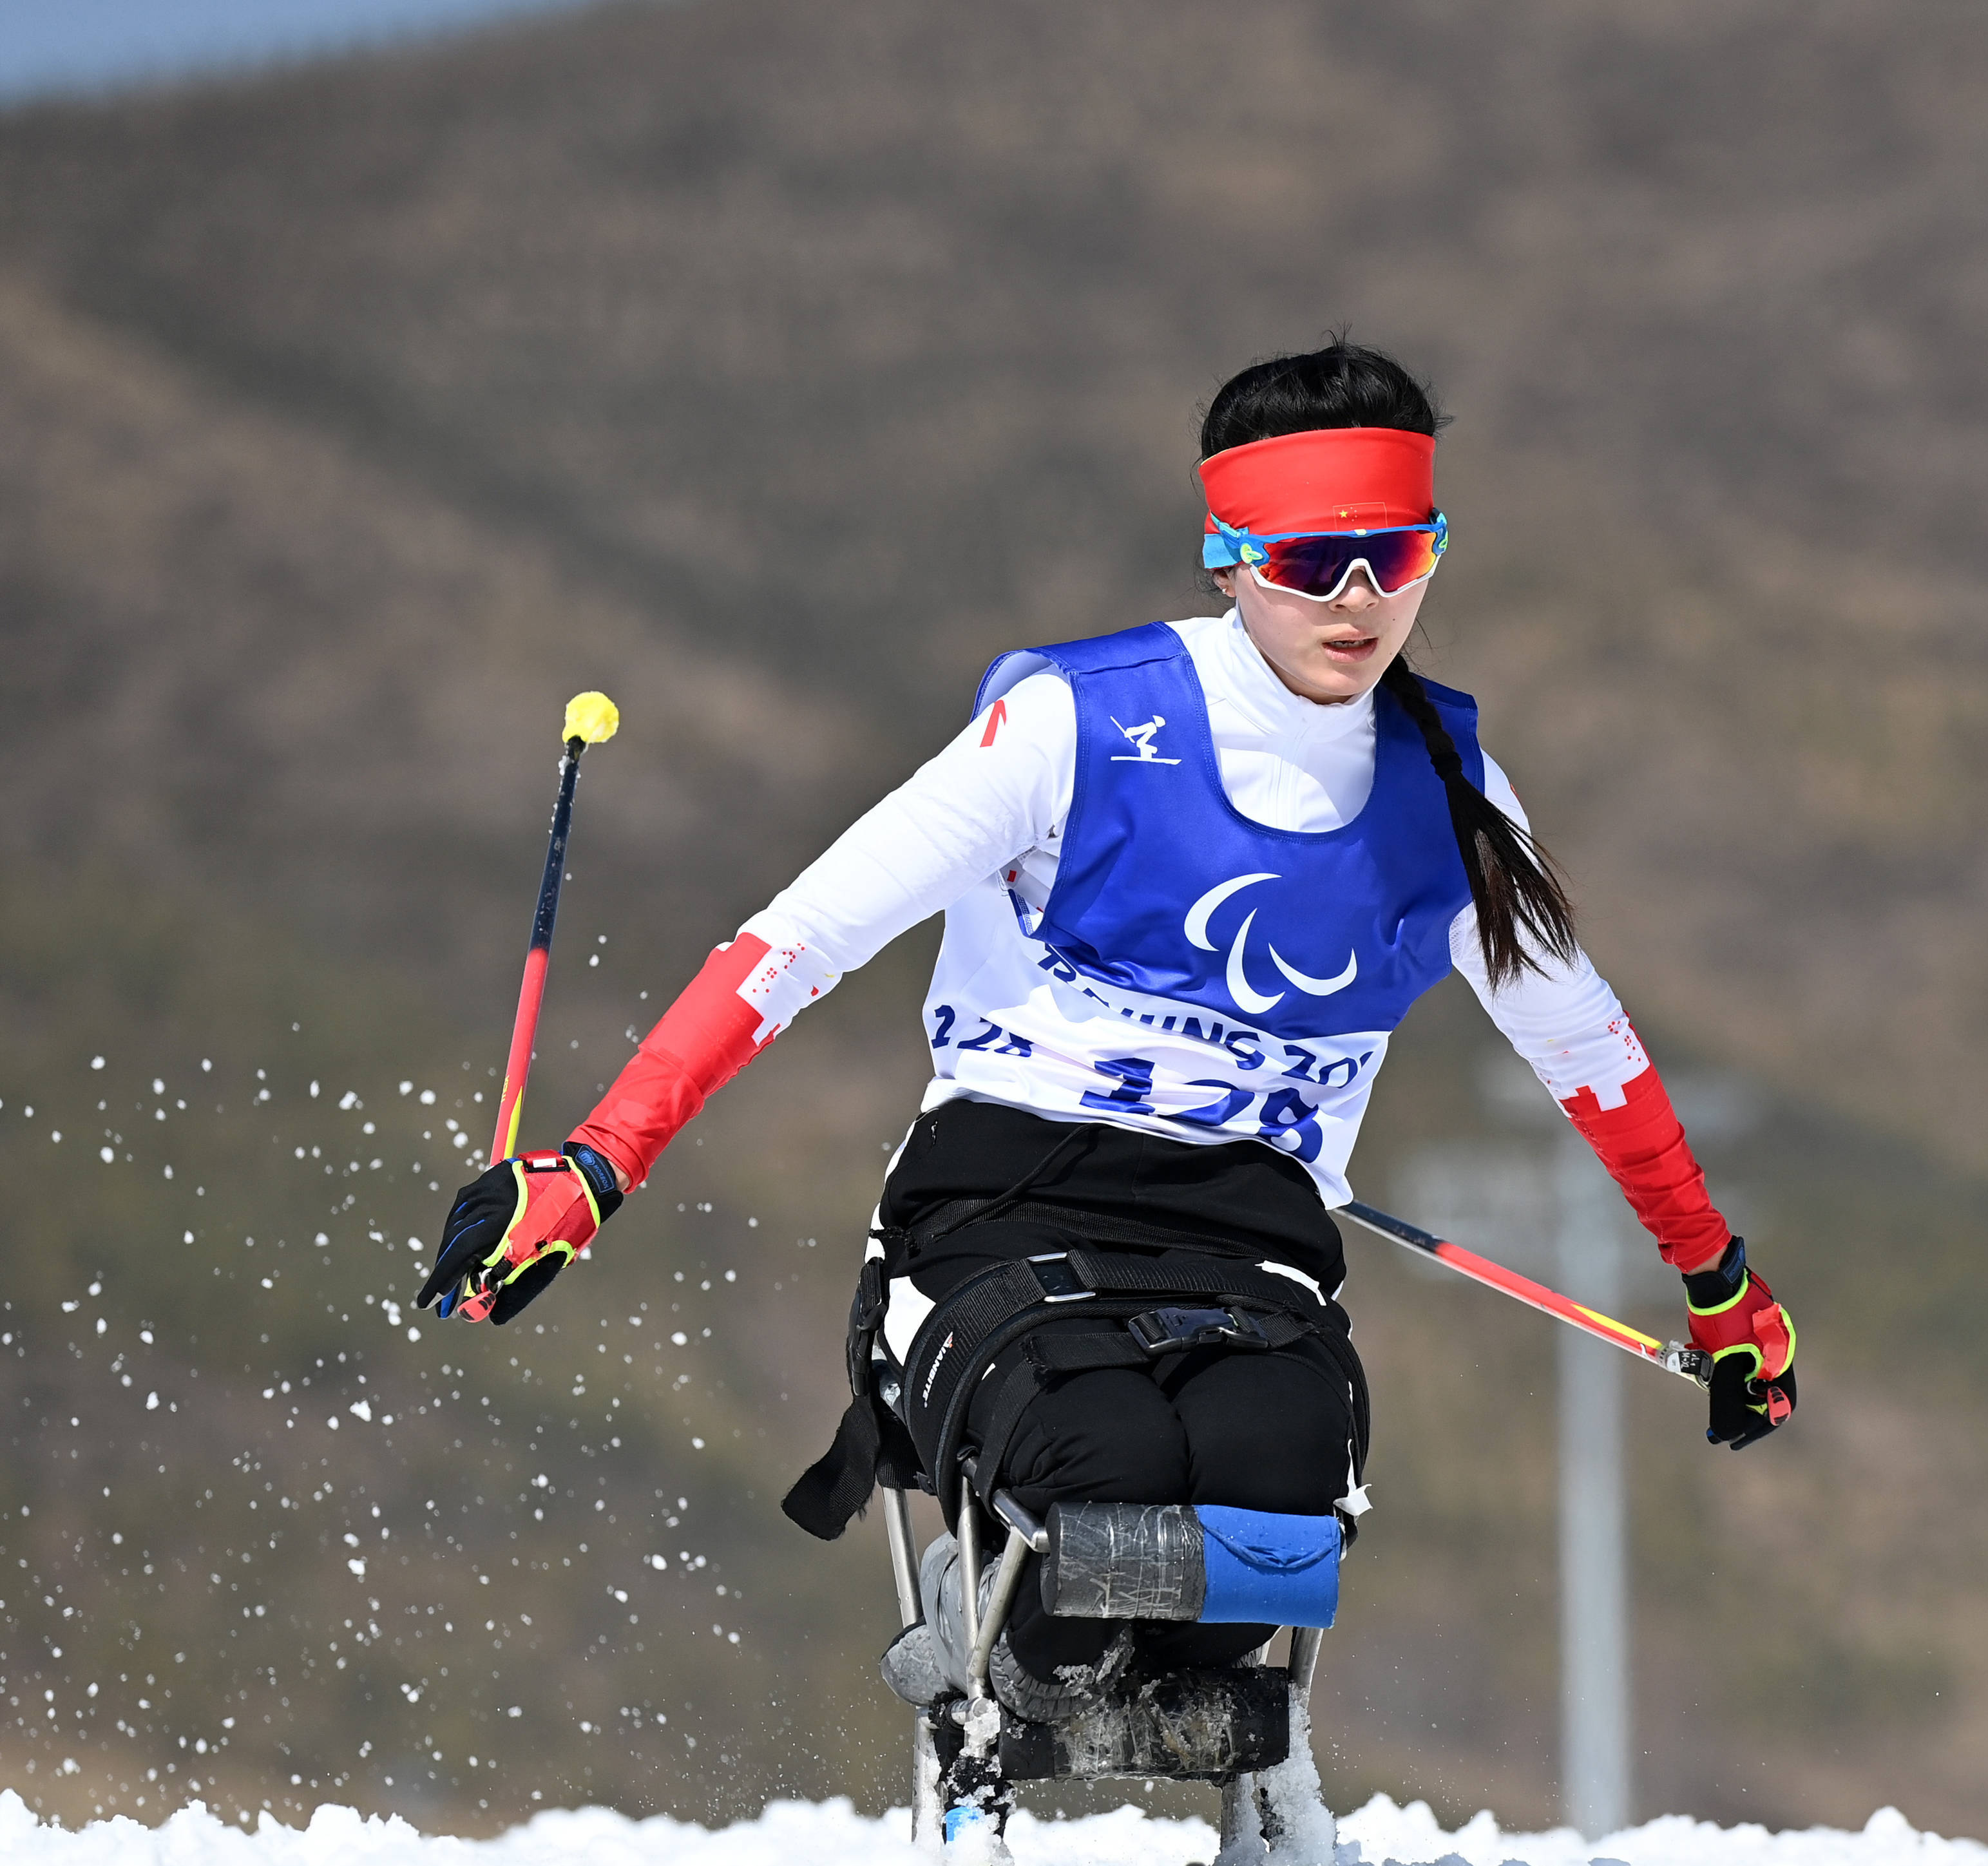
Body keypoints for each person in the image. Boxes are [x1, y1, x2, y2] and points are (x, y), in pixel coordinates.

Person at [420, 338, 1798, 1792]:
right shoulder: (1073, 725)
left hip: (1248, 1230)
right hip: (1014, 1197)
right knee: (1105, 1489)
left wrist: (1719, 1280)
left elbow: (1589, 1051)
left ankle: (1136, 1703)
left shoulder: (1447, 789)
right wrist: (597, 1162)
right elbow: (801, 938)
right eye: (1310, 560)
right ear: (1228, 556)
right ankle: (999, 1638)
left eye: (1394, 556)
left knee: (1267, 1514)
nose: (1356, 602)